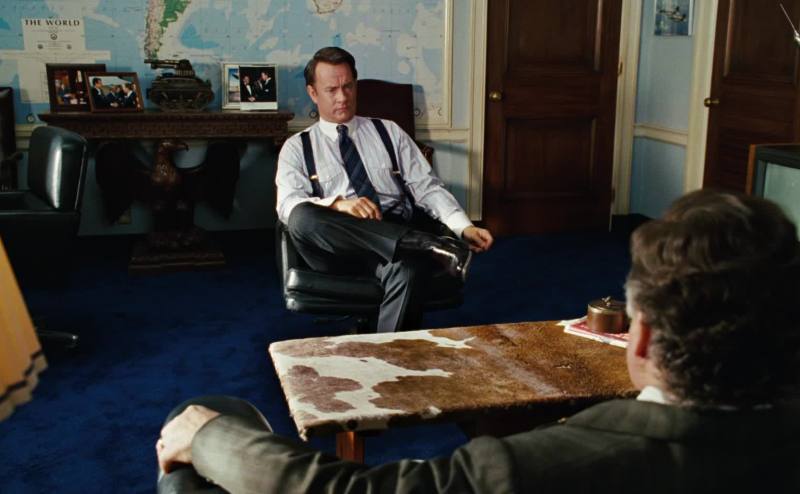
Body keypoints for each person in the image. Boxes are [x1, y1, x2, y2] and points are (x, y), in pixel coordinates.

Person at [156, 189, 800, 493]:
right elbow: (293, 208)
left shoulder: (538, 470)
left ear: (642, 337)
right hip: (334, 230)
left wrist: (206, 436)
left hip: (394, 246)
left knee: (213, 425)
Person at [276, 46, 493, 333]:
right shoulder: (296, 147)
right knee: (301, 216)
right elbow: (287, 204)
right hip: (336, 247)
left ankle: (388, 355)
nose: (342, 97)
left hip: (391, 233)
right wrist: (338, 204)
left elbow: (427, 187)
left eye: (348, 86)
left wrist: (463, 227)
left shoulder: (389, 132)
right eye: (331, 90)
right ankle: (424, 244)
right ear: (313, 93)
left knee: (408, 269)